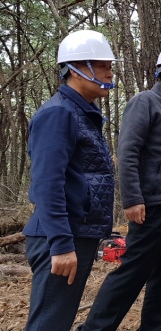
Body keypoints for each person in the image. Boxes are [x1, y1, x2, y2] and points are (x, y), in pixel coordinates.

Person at [78, 44, 161, 331]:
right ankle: (95, 328)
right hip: (155, 205)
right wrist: (132, 199)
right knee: (133, 271)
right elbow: (128, 151)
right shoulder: (144, 102)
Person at [23, 30, 117, 331]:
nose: (110, 72)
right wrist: (61, 245)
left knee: (58, 321)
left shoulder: (81, 113)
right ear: (76, 68)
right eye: (103, 65)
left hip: (78, 232)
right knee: (49, 324)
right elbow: (47, 183)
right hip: (62, 236)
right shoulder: (58, 114)